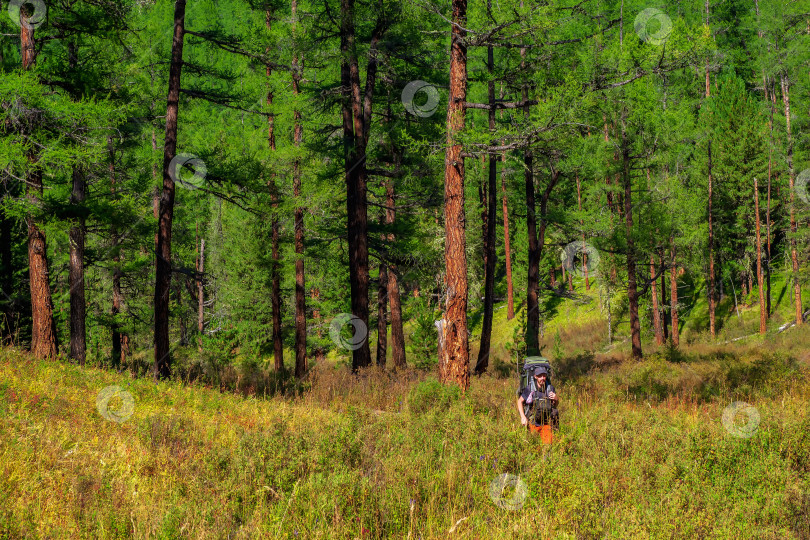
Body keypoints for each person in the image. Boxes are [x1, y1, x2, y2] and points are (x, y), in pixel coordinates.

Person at [516, 365, 559, 431]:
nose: (542, 378)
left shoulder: (550, 388)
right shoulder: (530, 388)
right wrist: (523, 417)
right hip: (533, 422)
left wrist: (556, 399)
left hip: (546, 423)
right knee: (532, 440)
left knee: (548, 441)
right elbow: (520, 401)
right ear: (535, 376)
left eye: (544, 375)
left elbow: (554, 406)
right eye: (540, 376)